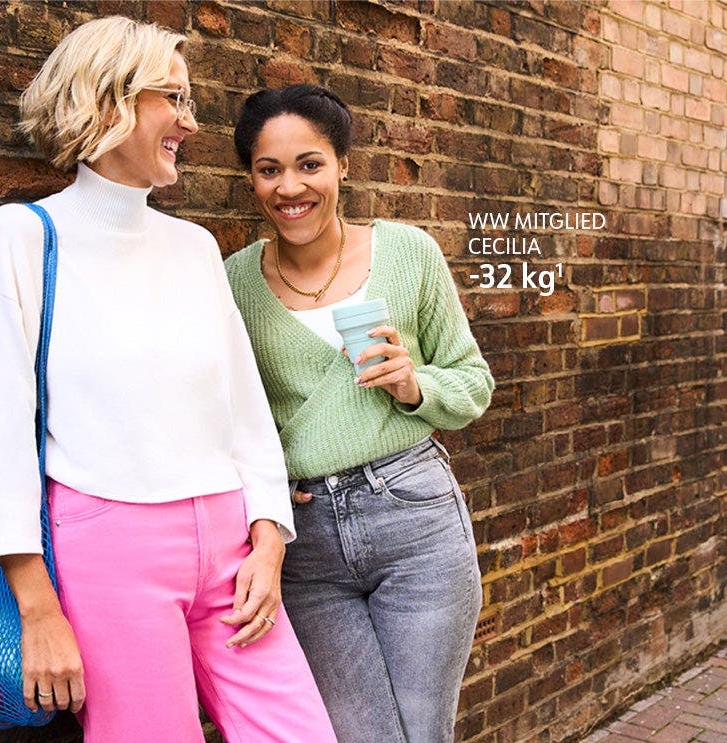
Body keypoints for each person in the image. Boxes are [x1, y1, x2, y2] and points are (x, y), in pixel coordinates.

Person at [0, 18, 337, 743]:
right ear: (109, 101)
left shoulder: (195, 246)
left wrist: (268, 537)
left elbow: (244, 409)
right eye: (174, 98)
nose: (190, 123)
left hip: (231, 542)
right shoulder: (22, 236)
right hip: (110, 549)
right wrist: (37, 607)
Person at [224, 84, 495, 743]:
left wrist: (412, 384)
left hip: (416, 520)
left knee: (422, 732)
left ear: (343, 164)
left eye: (310, 163)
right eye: (269, 169)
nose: (291, 186)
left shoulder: (409, 253)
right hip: (306, 541)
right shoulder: (231, 281)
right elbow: (222, 411)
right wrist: (256, 489)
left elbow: (473, 382)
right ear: (252, 179)